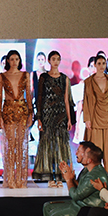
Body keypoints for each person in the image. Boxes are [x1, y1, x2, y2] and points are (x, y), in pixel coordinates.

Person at [42, 141, 108, 216]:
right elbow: (81, 188)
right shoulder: (87, 170)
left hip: (86, 210)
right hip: (79, 204)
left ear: (89, 159)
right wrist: (71, 178)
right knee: (47, 206)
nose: (76, 153)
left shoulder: (94, 175)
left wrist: (68, 180)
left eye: (79, 151)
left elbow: (75, 195)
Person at [32, 51, 73, 187]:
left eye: (58, 59)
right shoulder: (43, 77)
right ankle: (50, 178)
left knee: (61, 146)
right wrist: (39, 118)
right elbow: (39, 97)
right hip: (47, 115)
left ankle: (60, 177)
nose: (56, 61)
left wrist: (69, 119)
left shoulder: (64, 78)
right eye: (53, 59)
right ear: (49, 61)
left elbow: (66, 100)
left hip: (61, 115)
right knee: (48, 146)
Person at [0, 50, 32, 188]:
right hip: (8, 110)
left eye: (17, 59)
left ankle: (21, 179)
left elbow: (28, 95)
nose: (14, 61)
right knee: (10, 145)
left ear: (20, 60)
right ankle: (10, 179)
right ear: (7, 61)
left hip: (22, 110)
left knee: (21, 145)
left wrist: (31, 113)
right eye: (12, 59)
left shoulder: (25, 75)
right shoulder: (2, 76)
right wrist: (0, 116)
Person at [83, 54, 108, 177]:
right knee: (95, 150)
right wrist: (87, 118)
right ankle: (95, 175)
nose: (101, 66)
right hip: (95, 118)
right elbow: (86, 101)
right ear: (95, 65)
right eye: (99, 63)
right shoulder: (89, 81)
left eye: (103, 63)